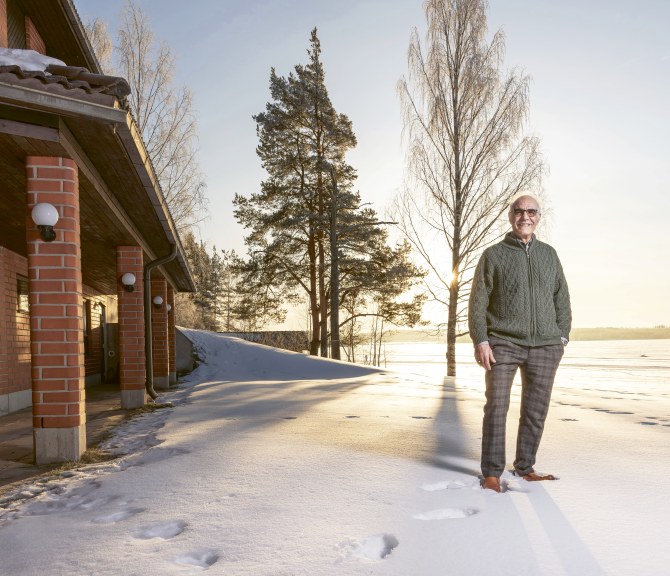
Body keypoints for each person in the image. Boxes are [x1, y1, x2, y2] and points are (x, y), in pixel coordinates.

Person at [468, 195, 571, 493]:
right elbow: (478, 302)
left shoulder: (549, 255)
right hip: (503, 342)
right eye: (519, 211)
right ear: (511, 215)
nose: (525, 216)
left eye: (531, 211)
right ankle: (491, 472)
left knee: (535, 410)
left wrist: (561, 335)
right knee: (497, 406)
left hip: (546, 345)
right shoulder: (493, 255)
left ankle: (525, 467)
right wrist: (482, 339)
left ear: (539, 216)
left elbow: (561, 297)